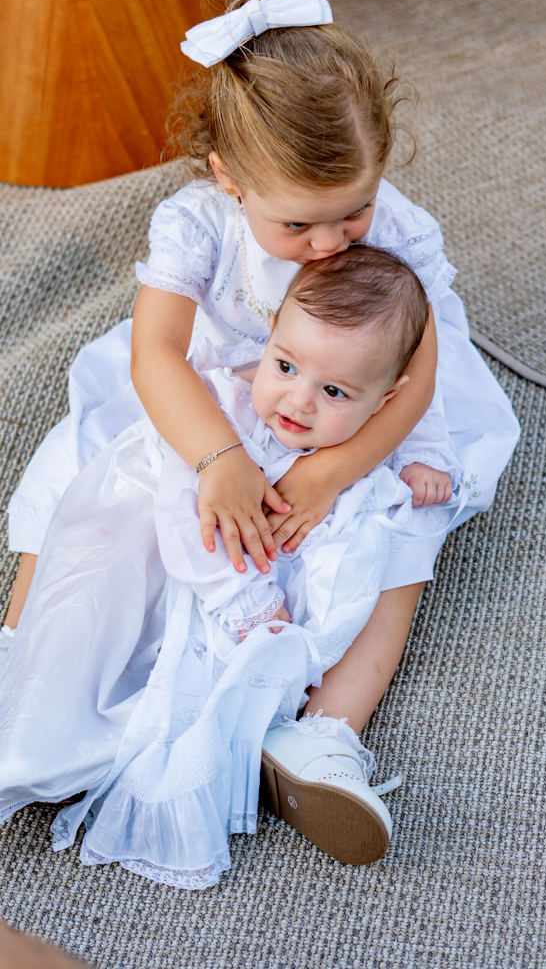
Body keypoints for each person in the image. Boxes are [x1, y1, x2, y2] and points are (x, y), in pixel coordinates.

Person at [2, 0, 519, 865]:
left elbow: (425, 362)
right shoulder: (197, 225)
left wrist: (336, 469)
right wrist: (219, 458)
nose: (333, 243)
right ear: (228, 179)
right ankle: (22, 657)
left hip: (353, 408)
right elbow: (157, 354)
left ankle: (325, 733)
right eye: (299, 224)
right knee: (77, 474)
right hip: (213, 393)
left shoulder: (392, 228)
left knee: (405, 534)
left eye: (351, 212)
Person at [2, 247, 459, 885]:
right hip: (223, 586)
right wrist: (247, 604)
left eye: (332, 391)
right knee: (157, 637)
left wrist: (420, 465)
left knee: (403, 539)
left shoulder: (383, 400)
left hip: (293, 581)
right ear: (268, 340)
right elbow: (183, 516)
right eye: (285, 366)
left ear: (384, 400)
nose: (298, 401)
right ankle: (44, 684)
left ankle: (315, 734)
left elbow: (419, 417)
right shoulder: (228, 405)